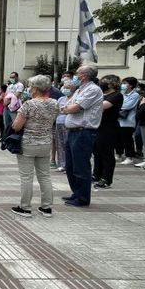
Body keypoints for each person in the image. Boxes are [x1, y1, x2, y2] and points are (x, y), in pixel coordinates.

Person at [9, 75, 59, 217]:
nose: (29, 89)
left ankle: (25, 207)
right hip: (46, 142)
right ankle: (47, 207)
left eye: (30, 86)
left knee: (26, 177)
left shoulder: (29, 104)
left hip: (29, 143)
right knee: (45, 176)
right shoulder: (54, 103)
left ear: (36, 88)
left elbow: (16, 126)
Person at [59, 65, 104, 207]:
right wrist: (67, 108)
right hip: (73, 131)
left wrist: (66, 109)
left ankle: (82, 198)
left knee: (81, 166)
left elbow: (75, 108)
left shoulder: (93, 90)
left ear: (84, 76)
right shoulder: (79, 90)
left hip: (83, 132)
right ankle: (76, 193)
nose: (74, 76)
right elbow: (67, 105)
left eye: (77, 74)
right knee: (71, 166)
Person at [92, 74, 123, 190]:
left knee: (107, 154)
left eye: (105, 82)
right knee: (97, 152)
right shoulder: (103, 95)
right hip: (98, 126)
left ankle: (107, 179)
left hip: (109, 127)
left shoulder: (116, 95)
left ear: (112, 83)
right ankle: (96, 174)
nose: (102, 84)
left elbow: (102, 106)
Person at [117, 77, 141, 164]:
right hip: (118, 119)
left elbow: (128, 106)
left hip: (128, 121)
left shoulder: (135, 95)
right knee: (118, 139)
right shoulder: (121, 93)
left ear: (130, 85)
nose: (122, 85)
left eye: (125, 83)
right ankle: (118, 154)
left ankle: (129, 157)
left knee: (127, 139)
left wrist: (117, 105)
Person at [54, 80, 75, 172]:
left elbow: (70, 110)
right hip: (58, 123)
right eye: (65, 87)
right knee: (59, 144)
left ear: (73, 88)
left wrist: (64, 110)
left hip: (68, 124)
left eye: (68, 88)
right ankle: (61, 164)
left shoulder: (74, 98)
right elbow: (57, 110)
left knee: (68, 144)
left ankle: (69, 165)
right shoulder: (61, 99)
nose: (65, 89)